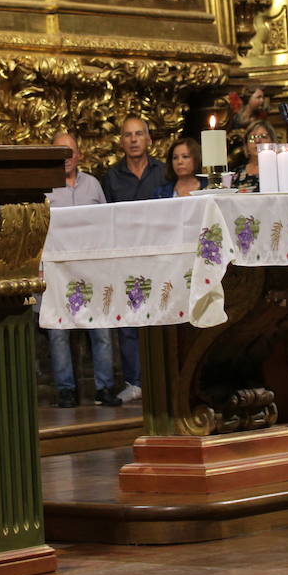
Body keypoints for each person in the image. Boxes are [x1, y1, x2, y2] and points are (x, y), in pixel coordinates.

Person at [43, 132, 119, 408]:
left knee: (100, 327)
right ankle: (65, 389)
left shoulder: (93, 185)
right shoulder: (43, 187)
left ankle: (105, 387)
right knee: (58, 330)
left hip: (91, 268)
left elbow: (107, 223)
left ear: (78, 155)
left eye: (70, 151)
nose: (65, 157)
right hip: (58, 270)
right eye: (59, 152)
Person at [100, 116, 167, 403]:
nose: (134, 139)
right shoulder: (111, 177)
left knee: (162, 316)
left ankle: (163, 378)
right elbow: (105, 219)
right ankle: (133, 381)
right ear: (121, 141)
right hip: (126, 257)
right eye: (128, 135)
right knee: (128, 322)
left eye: (140, 134)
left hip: (159, 255)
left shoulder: (163, 172)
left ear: (149, 139)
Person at [232, 119, 277, 193]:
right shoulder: (236, 175)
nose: (257, 141)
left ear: (272, 141)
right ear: (246, 146)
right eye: (252, 138)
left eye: (263, 136)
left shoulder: (282, 170)